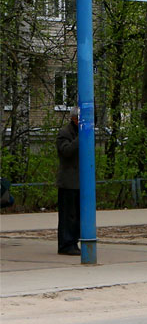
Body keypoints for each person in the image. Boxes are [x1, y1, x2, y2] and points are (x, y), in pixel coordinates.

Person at [56, 109, 81, 256]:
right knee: (68, 215)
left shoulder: (78, 131)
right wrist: (80, 139)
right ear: (74, 119)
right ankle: (66, 244)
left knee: (77, 214)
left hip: (79, 181)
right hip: (68, 182)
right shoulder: (64, 133)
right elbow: (66, 151)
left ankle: (73, 242)